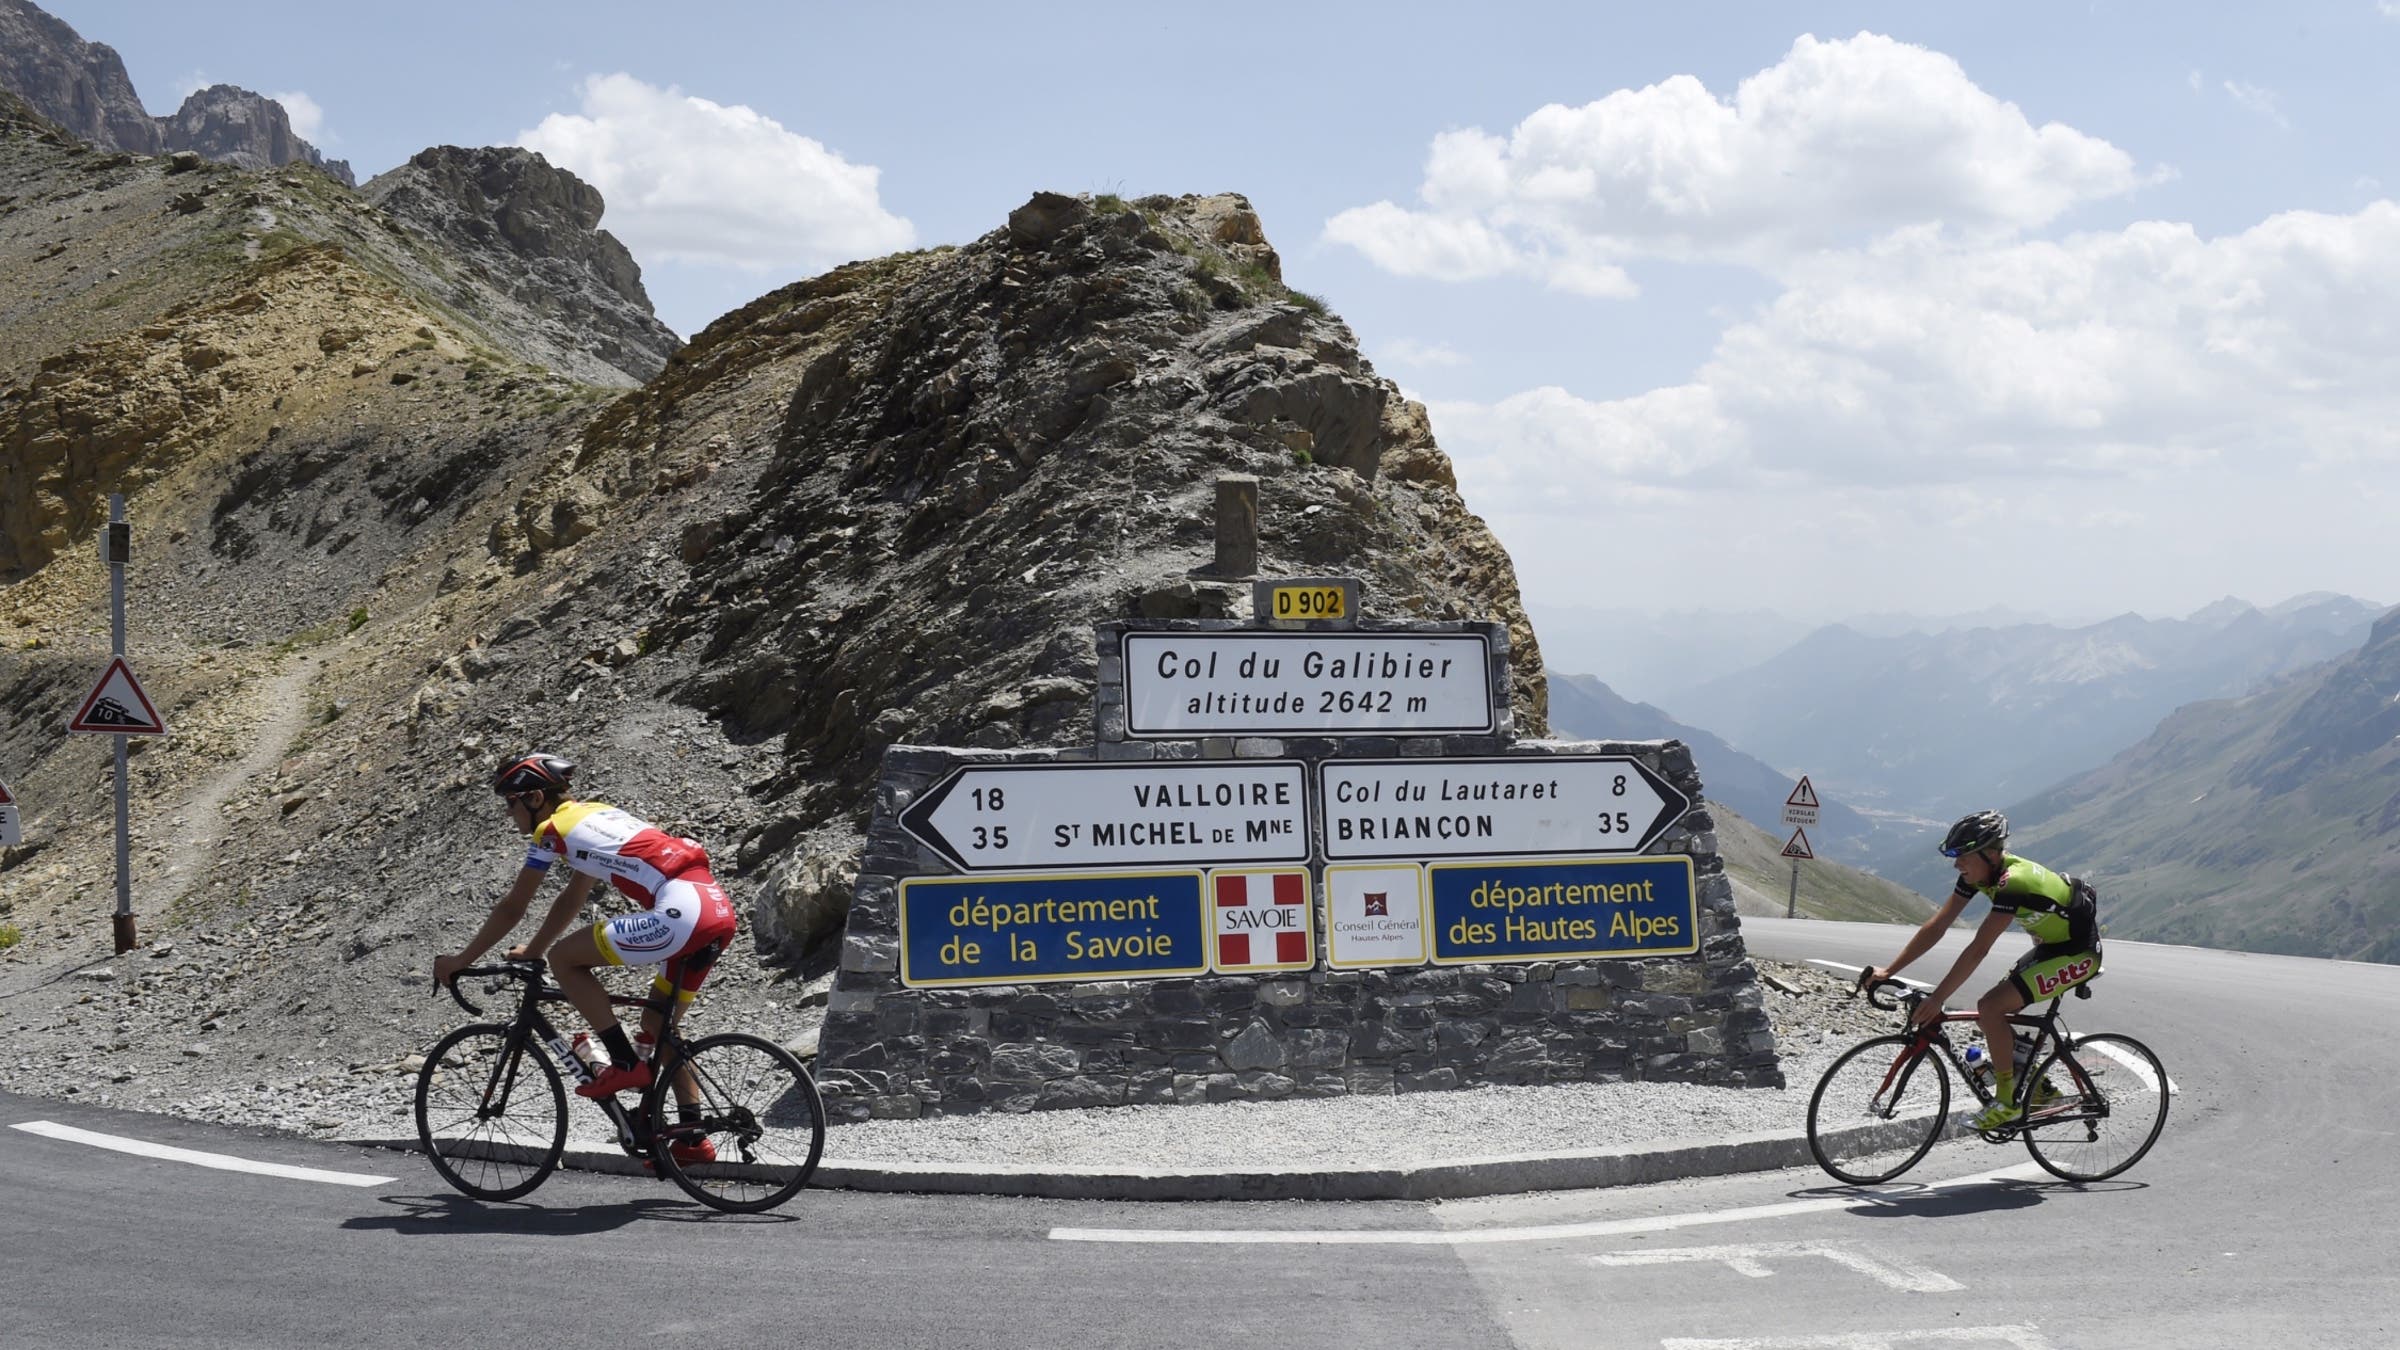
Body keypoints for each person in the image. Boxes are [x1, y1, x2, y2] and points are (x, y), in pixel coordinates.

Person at [431, 753, 738, 1159]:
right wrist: (533, 950)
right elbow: (572, 897)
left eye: (511, 803)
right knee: (658, 1025)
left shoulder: (550, 831)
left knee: (564, 959)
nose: (508, 814)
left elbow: (513, 906)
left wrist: (461, 959)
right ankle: (692, 1138)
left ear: (535, 798)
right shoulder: (596, 816)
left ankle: (625, 1064)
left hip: (681, 912)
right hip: (716, 908)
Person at [1862, 809, 2100, 1131]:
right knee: (1990, 1016)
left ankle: (2007, 1104)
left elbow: (1978, 949)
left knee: (1990, 1007)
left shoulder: (2013, 882)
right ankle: (2039, 1088)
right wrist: (1889, 971)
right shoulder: (1978, 875)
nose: (1957, 865)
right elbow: (1938, 925)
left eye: (1963, 856)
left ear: (1990, 854)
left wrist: (1938, 999)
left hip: (2078, 954)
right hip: (2051, 948)